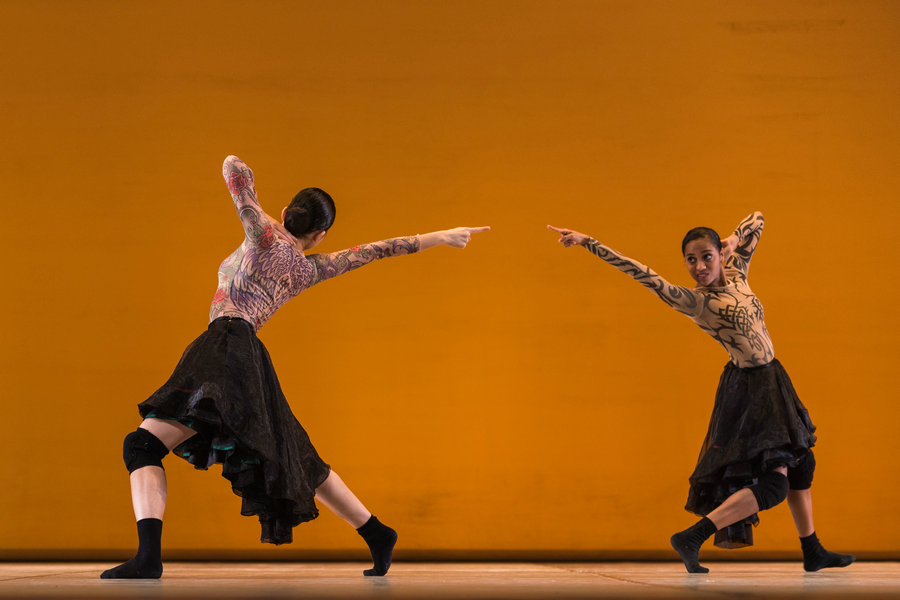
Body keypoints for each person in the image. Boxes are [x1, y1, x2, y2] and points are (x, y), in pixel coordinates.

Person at [101, 155, 490, 579]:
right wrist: (442, 236)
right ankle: (377, 533)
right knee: (293, 453)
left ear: (287, 213)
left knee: (141, 446)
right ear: (320, 234)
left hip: (224, 345)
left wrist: (270, 218)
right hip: (247, 354)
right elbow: (375, 251)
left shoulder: (263, 234)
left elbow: (235, 168)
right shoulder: (308, 268)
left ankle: (149, 558)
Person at [548, 214, 854, 573]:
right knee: (774, 485)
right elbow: (643, 274)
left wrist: (731, 241)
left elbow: (758, 218)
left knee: (801, 464)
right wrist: (589, 242)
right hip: (751, 389)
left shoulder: (738, 273)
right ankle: (693, 536)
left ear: (719, 255)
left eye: (706, 256)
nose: (698, 266)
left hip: (774, 379)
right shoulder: (696, 301)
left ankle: (812, 550)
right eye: (691, 260)